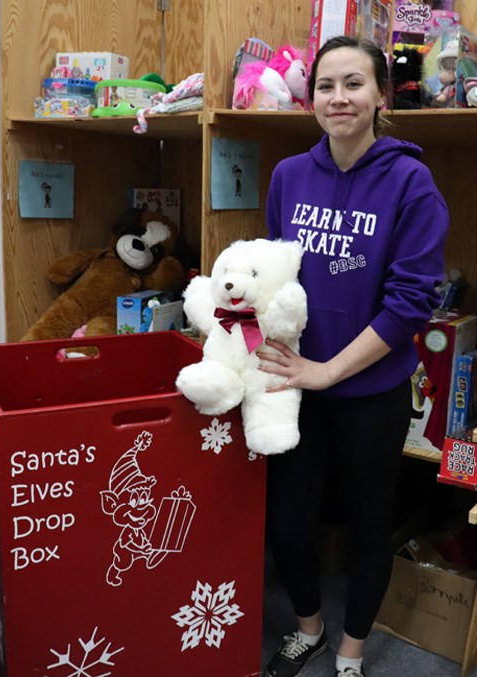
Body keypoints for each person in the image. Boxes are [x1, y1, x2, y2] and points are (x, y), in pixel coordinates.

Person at [258, 35, 449, 677]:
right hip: (295, 386)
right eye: (325, 86)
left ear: (380, 96)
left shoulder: (411, 182)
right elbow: (275, 280)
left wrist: (329, 369)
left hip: (371, 392)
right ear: (310, 97)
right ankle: (309, 627)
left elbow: (408, 305)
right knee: (287, 522)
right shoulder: (289, 177)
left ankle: (352, 650)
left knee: (369, 525)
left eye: (353, 84)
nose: (338, 98)